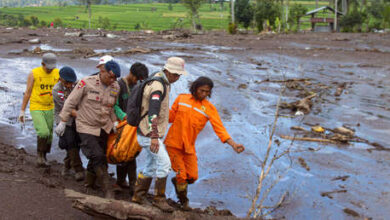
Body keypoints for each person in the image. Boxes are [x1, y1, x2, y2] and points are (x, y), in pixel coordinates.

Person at [164, 76, 245, 210]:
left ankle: (178, 182)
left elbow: (219, 128)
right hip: (173, 143)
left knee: (193, 176)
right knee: (182, 175)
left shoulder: (209, 108)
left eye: (207, 92)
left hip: (189, 147)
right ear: (195, 88)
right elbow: (170, 117)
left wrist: (233, 144)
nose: (204, 94)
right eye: (202, 90)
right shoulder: (181, 99)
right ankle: (184, 203)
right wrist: (154, 116)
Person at [56, 61, 121, 198]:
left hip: (104, 126)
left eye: (115, 78)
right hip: (86, 126)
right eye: (110, 77)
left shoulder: (115, 86)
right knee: (97, 155)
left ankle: (89, 184)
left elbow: (111, 108)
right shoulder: (86, 83)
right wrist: (62, 121)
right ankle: (107, 189)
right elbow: (70, 102)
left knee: (98, 156)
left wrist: (115, 122)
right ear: (102, 71)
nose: (112, 80)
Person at [131, 57, 187, 212]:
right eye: (175, 74)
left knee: (151, 165)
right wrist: (154, 137)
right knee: (164, 164)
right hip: (149, 134)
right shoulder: (158, 86)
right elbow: (153, 111)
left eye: (179, 75)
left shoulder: (160, 79)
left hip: (146, 132)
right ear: (167, 71)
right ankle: (159, 199)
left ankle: (138, 196)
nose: (177, 77)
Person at [113, 62, 149, 196]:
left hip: (133, 125)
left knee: (131, 153)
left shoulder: (137, 86)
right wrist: (124, 117)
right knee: (122, 152)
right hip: (122, 124)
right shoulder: (118, 85)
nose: (138, 81)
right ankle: (126, 182)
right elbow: (114, 105)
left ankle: (125, 182)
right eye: (137, 78)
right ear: (131, 74)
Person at [18, 53, 59, 167]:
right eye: (48, 67)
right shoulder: (34, 73)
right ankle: (39, 156)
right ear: (42, 64)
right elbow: (28, 92)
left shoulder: (57, 73)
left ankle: (44, 155)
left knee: (50, 134)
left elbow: (62, 89)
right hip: (37, 106)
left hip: (50, 107)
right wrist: (22, 111)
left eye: (52, 68)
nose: (50, 70)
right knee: (43, 131)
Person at [52, 66, 85, 181]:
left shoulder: (77, 84)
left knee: (77, 142)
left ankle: (66, 166)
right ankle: (79, 169)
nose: (69, 85)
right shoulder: (57, 90)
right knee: (69, 142)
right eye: (66, 83)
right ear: (60, 79)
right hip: (63, 118)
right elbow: (67, 108)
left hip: (77, 117)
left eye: (71, 83)